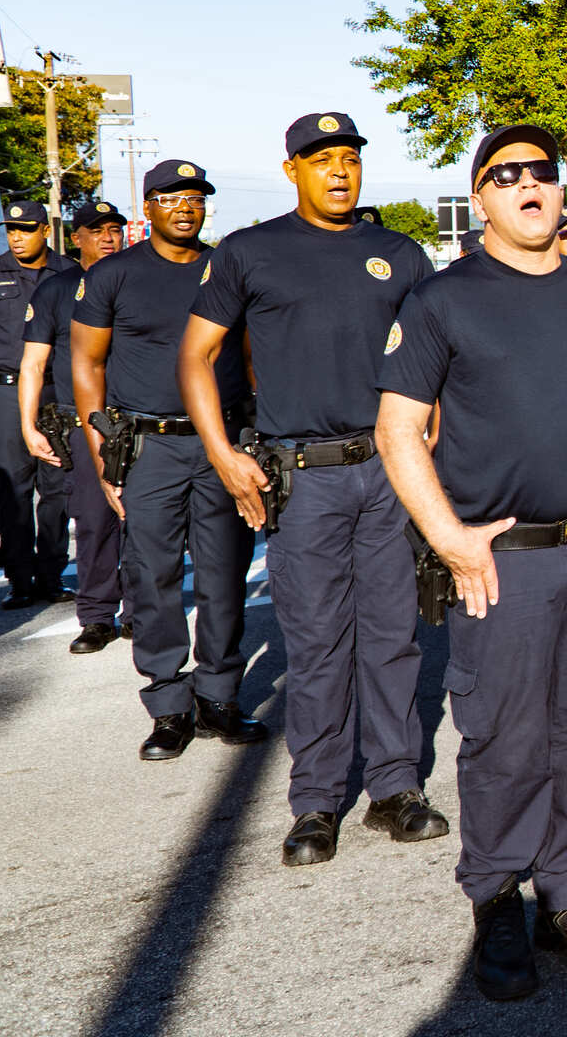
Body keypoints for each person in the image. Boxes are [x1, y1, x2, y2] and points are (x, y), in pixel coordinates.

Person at [377, 124, 567, 1000]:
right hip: (500, 561)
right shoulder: (444, 300)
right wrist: (448, 536)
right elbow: (399, 430)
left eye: (541, 173)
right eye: (505, 176)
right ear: (481, 199)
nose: (528, 187)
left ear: (561, 186)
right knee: (504, 737)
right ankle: (498, 895)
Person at [180, 112, 447, 867]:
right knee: (319, 641)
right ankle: (318, 801)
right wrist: (223, 453)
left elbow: (439, 355)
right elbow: (197, 357)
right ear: (292, 167)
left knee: (393, 637)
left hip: (389, 471)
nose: (339, 171)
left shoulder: (397, 253)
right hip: (301, 478)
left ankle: (396, 789)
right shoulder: (249, 252)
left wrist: (436, 432)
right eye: (321, 159)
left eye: (350, 159)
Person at [73, 161, 263, 760]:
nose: (186, 207)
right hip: (149, 446)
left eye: (196, 198)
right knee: (150, 575)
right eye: (171, 197)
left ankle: (219, 696)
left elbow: (252, 354)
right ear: (147, 206)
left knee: (224, 572)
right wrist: (103, 447)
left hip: (222, 442)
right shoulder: (114, 274)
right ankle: (168, 703)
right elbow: (87, 364)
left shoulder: (226, 269)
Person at [21, 201, 125, 648]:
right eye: (95, 229)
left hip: (139, 422)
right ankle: (98, 615)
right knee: (94, 519)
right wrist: (28, 424)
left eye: (114, 229)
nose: (107, 237)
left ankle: (142, 609)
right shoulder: (56, 290)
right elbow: (33, 363)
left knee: (146, 523)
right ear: (75, 237)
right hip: (84, 425)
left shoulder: (139, 278)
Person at [0, 198, 78, 608]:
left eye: (27, 229)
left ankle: (51, 576)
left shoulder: (69, 273)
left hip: (56, 391)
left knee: (57, 488)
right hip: (6, 389)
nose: (18, 238)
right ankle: (20, 578)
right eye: (12, 231)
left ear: (45, 231)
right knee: (13, 488)